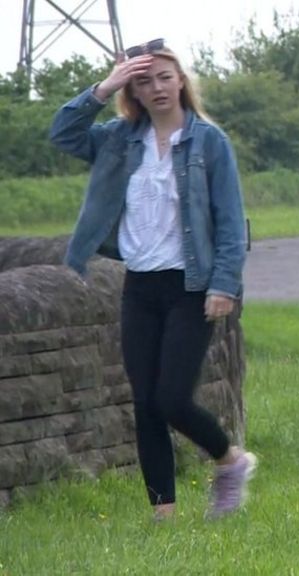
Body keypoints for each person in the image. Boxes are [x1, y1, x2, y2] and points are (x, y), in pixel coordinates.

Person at [49, 39, 255, 521]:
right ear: (133, 91)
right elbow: (63, 134)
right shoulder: (119, 140)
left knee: (171, 398)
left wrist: (224, 285)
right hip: (139, 287)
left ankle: (230, 461)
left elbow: (230, 220)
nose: (157, 87)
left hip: (191, 286)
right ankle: (164, 516)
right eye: (144, 80)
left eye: (165, 76)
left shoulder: (208, 142)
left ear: (181, 81)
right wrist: (104, 87)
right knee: (145, 404)